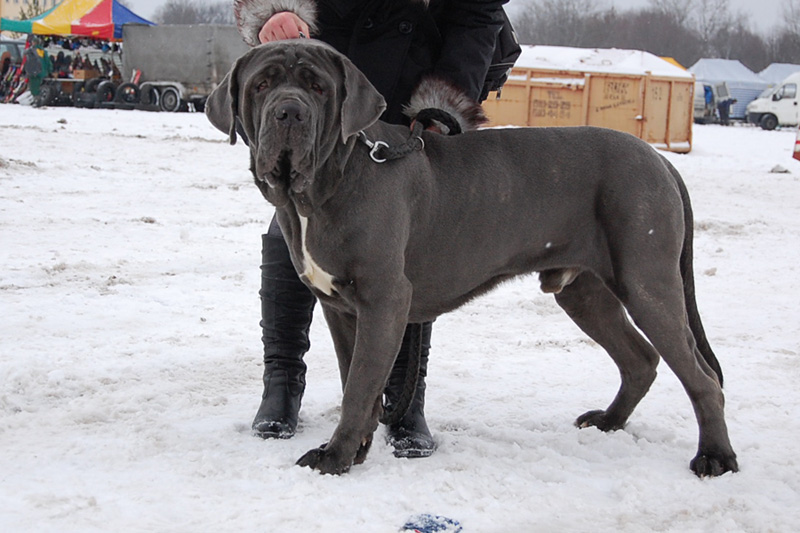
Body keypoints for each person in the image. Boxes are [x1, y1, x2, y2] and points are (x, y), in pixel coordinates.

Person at [233, 0, 507, 458]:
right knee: (292, 224)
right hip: (317, 66)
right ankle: (281, 380)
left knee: (404, 247)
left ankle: (404, 401)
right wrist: (274, 11)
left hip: (410, 82)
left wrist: (445, 101)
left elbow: (476, 13)